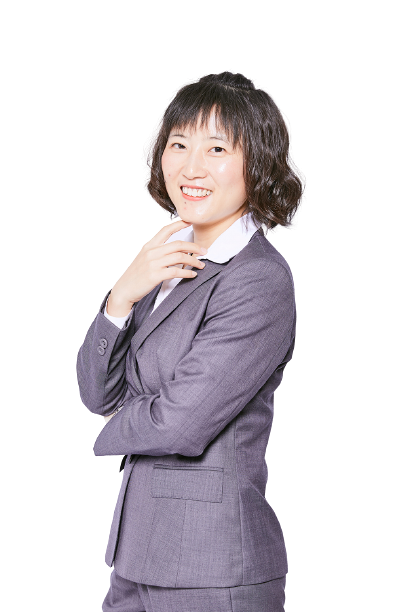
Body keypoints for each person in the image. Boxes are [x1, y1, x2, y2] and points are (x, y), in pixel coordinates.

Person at [76, 69, 306, 612]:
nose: (191, 167)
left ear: (258, 163)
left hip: (212, 570)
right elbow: (95, 393)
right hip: (135, 559)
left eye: (217, 148)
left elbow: (181, 423)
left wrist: (116, 421)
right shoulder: (166, 262)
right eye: (179, 144)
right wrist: (123, 294)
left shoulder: (258, 279)